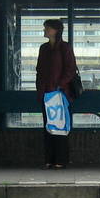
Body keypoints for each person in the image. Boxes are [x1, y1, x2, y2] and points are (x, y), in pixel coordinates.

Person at [35, 19, 76, 169]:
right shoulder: (43, 48)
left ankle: (60, 159)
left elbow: (70, 69)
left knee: (60, 125)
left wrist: (59, 85)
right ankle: (49, 159)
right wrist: (40, 89)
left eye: (47, 28)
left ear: (55, 30)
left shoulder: (64, 48)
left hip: (60, 94)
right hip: (46, 94)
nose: (45, 30)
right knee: (48, 125)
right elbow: (39, 70)